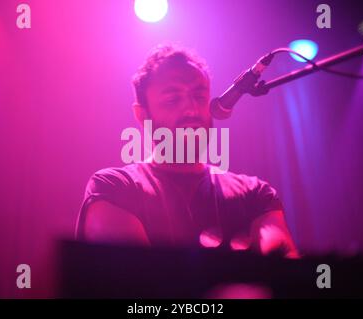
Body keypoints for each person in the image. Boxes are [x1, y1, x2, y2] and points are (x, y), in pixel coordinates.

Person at [75, 44, 298, 258]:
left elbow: (286, 278)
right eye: (172, 99)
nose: (191, 109)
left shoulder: (255, 194)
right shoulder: (113, 187)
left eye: (199, 97)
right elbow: (131, 282)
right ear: (142, 115)